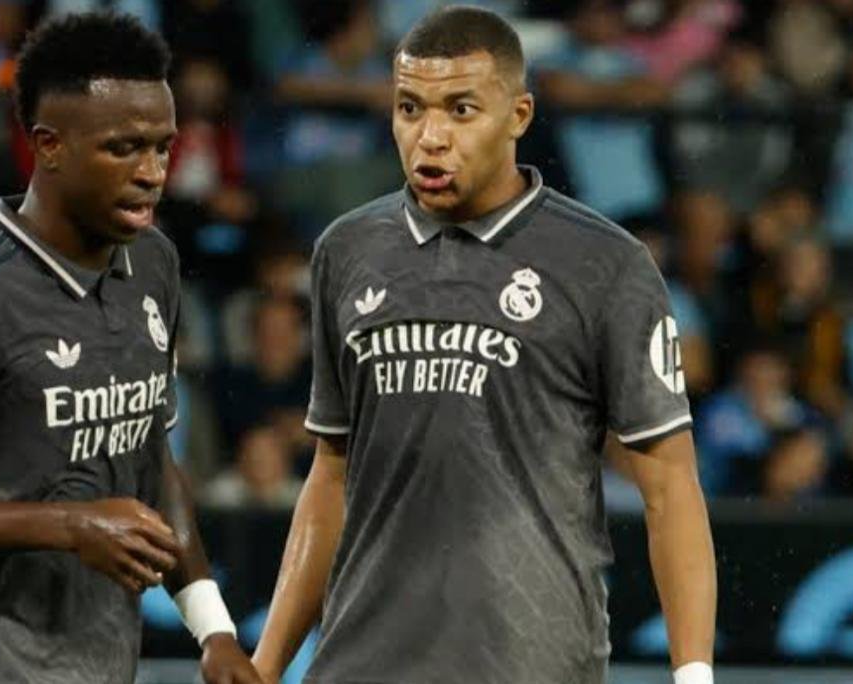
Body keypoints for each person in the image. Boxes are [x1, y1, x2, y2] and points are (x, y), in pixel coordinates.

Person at [250, 7, 716, 684]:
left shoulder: (606, 264)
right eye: (410, 108)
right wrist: (265, 669)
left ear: (518, 115)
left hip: (531, 665)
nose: (430, 136)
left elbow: (670, 487)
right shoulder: (347, 251)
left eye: (461, 110)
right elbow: (332, 475)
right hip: (361, 664)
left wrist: (694, 675)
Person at [0, 12, 260, 684]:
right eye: (124, 149)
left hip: (95, 663)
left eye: (162, 147)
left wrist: (212, 630)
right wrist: (69, 526)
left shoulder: (153, 263)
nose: (152, 172)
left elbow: (147, 454)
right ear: (49, 145)